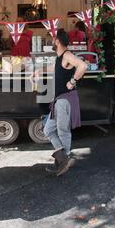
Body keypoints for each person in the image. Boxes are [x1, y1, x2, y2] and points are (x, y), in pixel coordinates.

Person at [43, 29, 88, 176]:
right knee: (48, 130)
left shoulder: (67, 54)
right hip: (58, 100)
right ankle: (64, 159)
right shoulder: (59, 57)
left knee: (63, 131)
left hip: (65, 99)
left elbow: (83, 66)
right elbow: (54, 69)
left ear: (57, 41)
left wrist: (72, 81)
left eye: (53, 39)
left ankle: (62, 162)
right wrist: (39, 71)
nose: (52, 41)